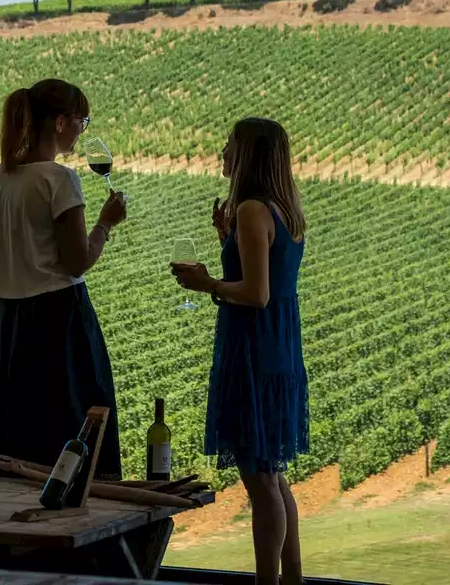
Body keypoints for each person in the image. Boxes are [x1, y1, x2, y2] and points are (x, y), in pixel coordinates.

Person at [171, 117, 309, 585]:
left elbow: (256, 294)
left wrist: (206, 282)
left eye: (228, 146)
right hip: (279, 348)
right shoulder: (283, 211)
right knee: (272, 473)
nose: (221, 154)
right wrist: (225, 240)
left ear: (248, 154)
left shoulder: (252, 209)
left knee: (260, 480)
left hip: (253, 351)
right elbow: (266, 272)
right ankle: (293, 578)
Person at [0, 78, 128, 485]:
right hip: (59, 322)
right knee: (71, 430)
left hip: (8, 323)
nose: (83, 128)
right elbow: (77, 261)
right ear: (61, 122)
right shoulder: (57, 180)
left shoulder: (0, 179)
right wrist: (105, 224)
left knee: (17, 434)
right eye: (82, 119)